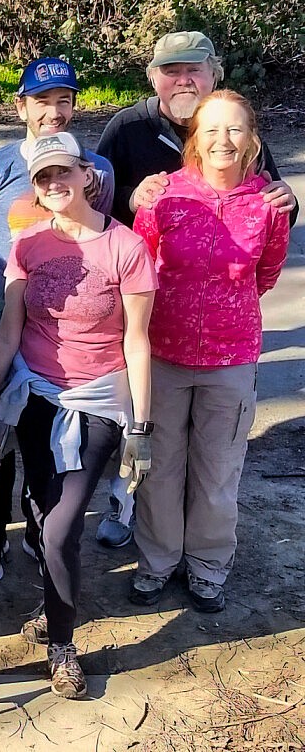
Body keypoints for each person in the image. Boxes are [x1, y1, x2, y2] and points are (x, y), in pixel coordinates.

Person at [0, 133, 157, 699]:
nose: (53, 185)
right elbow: (10, 331)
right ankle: (53, 603)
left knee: (59, 529)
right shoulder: (27, 244)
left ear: (86, 175)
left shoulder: (124, 248)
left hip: (98, 400)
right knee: (37, 510)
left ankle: (62, 647)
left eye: (63, 173)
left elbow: (136, 341)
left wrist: (141, 426)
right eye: (42, 178)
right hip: (34, 397)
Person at [129, 90, 289, 613]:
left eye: (235, 129)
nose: (223, 140)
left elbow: (265, 276)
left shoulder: (268, 207)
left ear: (252, 141)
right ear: (194, 138)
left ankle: (207, 566)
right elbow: (139, 273)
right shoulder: (164, 196)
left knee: (218, 472)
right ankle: (156, 563)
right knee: (160, 468)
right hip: (164, 356)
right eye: (212, 129)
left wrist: (222, 310)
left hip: (231, 359)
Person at [0, 57, 116, 579]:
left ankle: (36, 527)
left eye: (64, 100)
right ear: (21, 105)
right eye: (42, 101)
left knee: (43, 438)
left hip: (61, 336)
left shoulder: (97, 169)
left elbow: (100, 239)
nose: (54, 111)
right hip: (2, 324)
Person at [98, 30, 296, 227]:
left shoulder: (236, 126)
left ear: (214, 75)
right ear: (153, 79)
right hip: (147, 254)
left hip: (229, 255)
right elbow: (92, 201)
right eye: (172, 71)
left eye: (194, 69)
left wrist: (286, 203)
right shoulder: (128, 127)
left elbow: (277, 210)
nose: (184, 81)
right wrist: (131, 199)